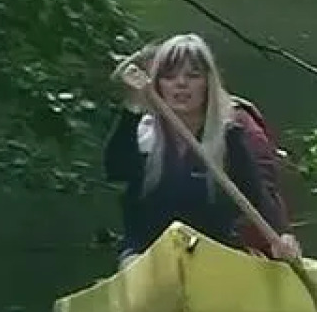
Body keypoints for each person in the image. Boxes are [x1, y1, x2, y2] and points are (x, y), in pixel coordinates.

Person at [105, 33, 301, 267]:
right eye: (170, 76)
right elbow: (115, 169)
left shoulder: (229, 136)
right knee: (134, 262)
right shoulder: (142, 132)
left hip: (215, 252)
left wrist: (282, 235)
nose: (181, 83)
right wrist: (132, 107)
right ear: (157, 85)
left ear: (208, 84)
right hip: (146, 254)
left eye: (193, 75)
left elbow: (257, 196)